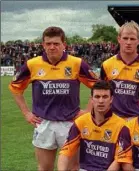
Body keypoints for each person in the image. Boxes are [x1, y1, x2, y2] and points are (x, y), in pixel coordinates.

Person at [9, 26, 98, 171]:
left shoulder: (76, 63)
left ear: (64, 44)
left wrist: (88, 111)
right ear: (43, 45)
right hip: (44, 124)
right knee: (45, 168)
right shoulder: (32, 64)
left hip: (70, 124)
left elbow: (98, 85)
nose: (52, 47)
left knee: (72, 168)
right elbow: (15, 87)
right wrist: (26, 113)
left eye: (56, 44)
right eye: (48, 43)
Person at [57, 80, 127, 170]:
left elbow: (119, 160)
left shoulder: (122, 126)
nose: (101, 101)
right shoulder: (80, 122)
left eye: (105, 97)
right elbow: (65, 152)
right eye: (97, 97)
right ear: (92, 99)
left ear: (111, 99)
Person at [100, 20, 139, 120]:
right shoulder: (107, 65)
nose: (128, 42)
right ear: (119, 39)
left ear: (138, 41)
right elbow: (99, 93)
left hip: (137, 120)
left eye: (132, 39)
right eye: (125, 38)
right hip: (112, 119)